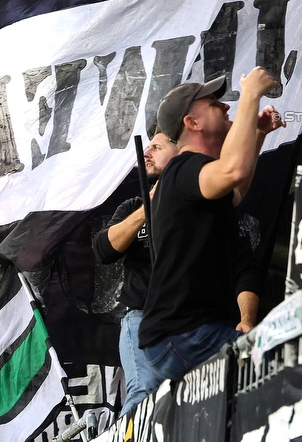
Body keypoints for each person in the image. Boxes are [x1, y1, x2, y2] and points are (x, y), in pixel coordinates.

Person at [138, 68, 284, 391]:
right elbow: (233, 171)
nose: (226, 106)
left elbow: (235, 191)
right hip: (182, 333)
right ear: (192, 122)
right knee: (277, 365)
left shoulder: (192, 177)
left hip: (177, 336)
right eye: (214, 103)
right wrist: (251, 94)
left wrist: (257, 134)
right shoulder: (184, 167)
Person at [93, 131, 178, 416]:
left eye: (157, 147)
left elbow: (242, 265)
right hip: (143, 316)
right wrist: (146, 209)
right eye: (147, 146)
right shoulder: (132, 207)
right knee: (144, 390)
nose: (146, 153)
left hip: (190, 319)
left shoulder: (198, 203)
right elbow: (104, 250)